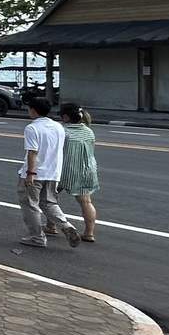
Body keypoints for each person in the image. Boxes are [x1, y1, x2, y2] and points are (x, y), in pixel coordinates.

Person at [16, 96, 79, 249]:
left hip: (35, 173)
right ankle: (66, 225)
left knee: (30, 204)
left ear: (34, 110)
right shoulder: (58, 126)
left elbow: (32, 152)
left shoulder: (32, 128)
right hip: (53, 172)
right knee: (49, 203)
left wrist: (30, 173)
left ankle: (37, 237)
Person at [58, 102, 100, 242]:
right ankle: (89, 233)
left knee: (50, 198)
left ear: (65, 117)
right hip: (87, 169)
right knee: (86, 202)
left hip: (65, 170)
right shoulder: (89, 131)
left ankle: (50, 225)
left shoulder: (63, 132)